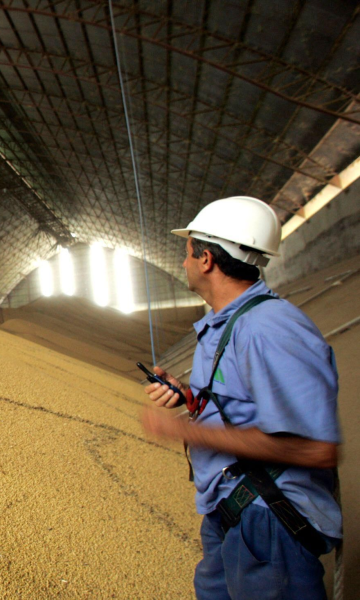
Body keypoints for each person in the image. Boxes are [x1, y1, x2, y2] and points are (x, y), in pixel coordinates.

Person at [141, 196, 341, 600]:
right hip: (230, 514)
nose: (183, 263)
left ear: (207, 259)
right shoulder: (227, 322)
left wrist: (191, 433)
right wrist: (191, 398)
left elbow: (317, 449)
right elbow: (242, 402)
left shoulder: (269, 329)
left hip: (271, 524)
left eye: (186, 253)